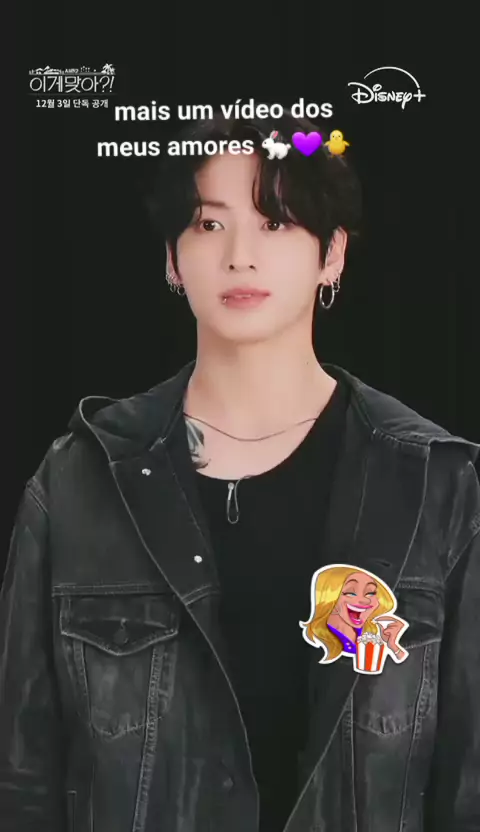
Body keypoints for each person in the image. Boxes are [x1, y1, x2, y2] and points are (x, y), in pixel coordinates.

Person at [1, 112, 479, 832]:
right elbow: (21, 778)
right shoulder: (78, 482)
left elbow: (468, 784)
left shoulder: (434, 484)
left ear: (332, 254)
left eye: (275, 223)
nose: (240, 256)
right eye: (209, 224)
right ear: (173, 258)